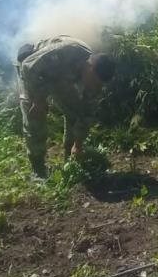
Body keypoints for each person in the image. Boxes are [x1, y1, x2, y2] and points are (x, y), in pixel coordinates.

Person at [17, 36, 116, 178]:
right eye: (94, 82)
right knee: (35, 116)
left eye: (99, 85)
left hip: (60, 77)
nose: (94, 87)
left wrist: (79, 144)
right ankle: (38, 168)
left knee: (75, 111)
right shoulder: (67, 52)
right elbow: (28, 66)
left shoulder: (94, 83)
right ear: (90, 67)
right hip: (34, 71)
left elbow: (86, 113)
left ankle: (69, 158)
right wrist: (38, 101)